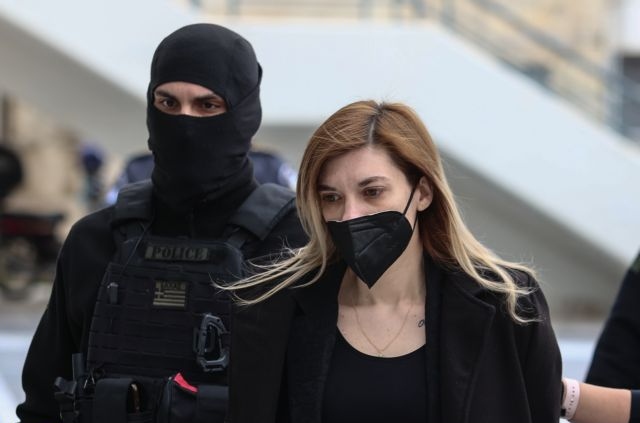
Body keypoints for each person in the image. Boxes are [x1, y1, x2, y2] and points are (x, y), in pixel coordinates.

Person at [16, 23, 306, 423]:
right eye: (168, 103)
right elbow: (43, 403)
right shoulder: (93, 240)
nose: (185, 123)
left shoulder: (295, 244)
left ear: (244, 114)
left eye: (207, 105)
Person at [226, 100, 562, 422]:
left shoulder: (509, 304)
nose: (350, 214)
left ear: (423, 193)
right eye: (332, 197)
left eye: (372, 192)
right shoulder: (273, 307)